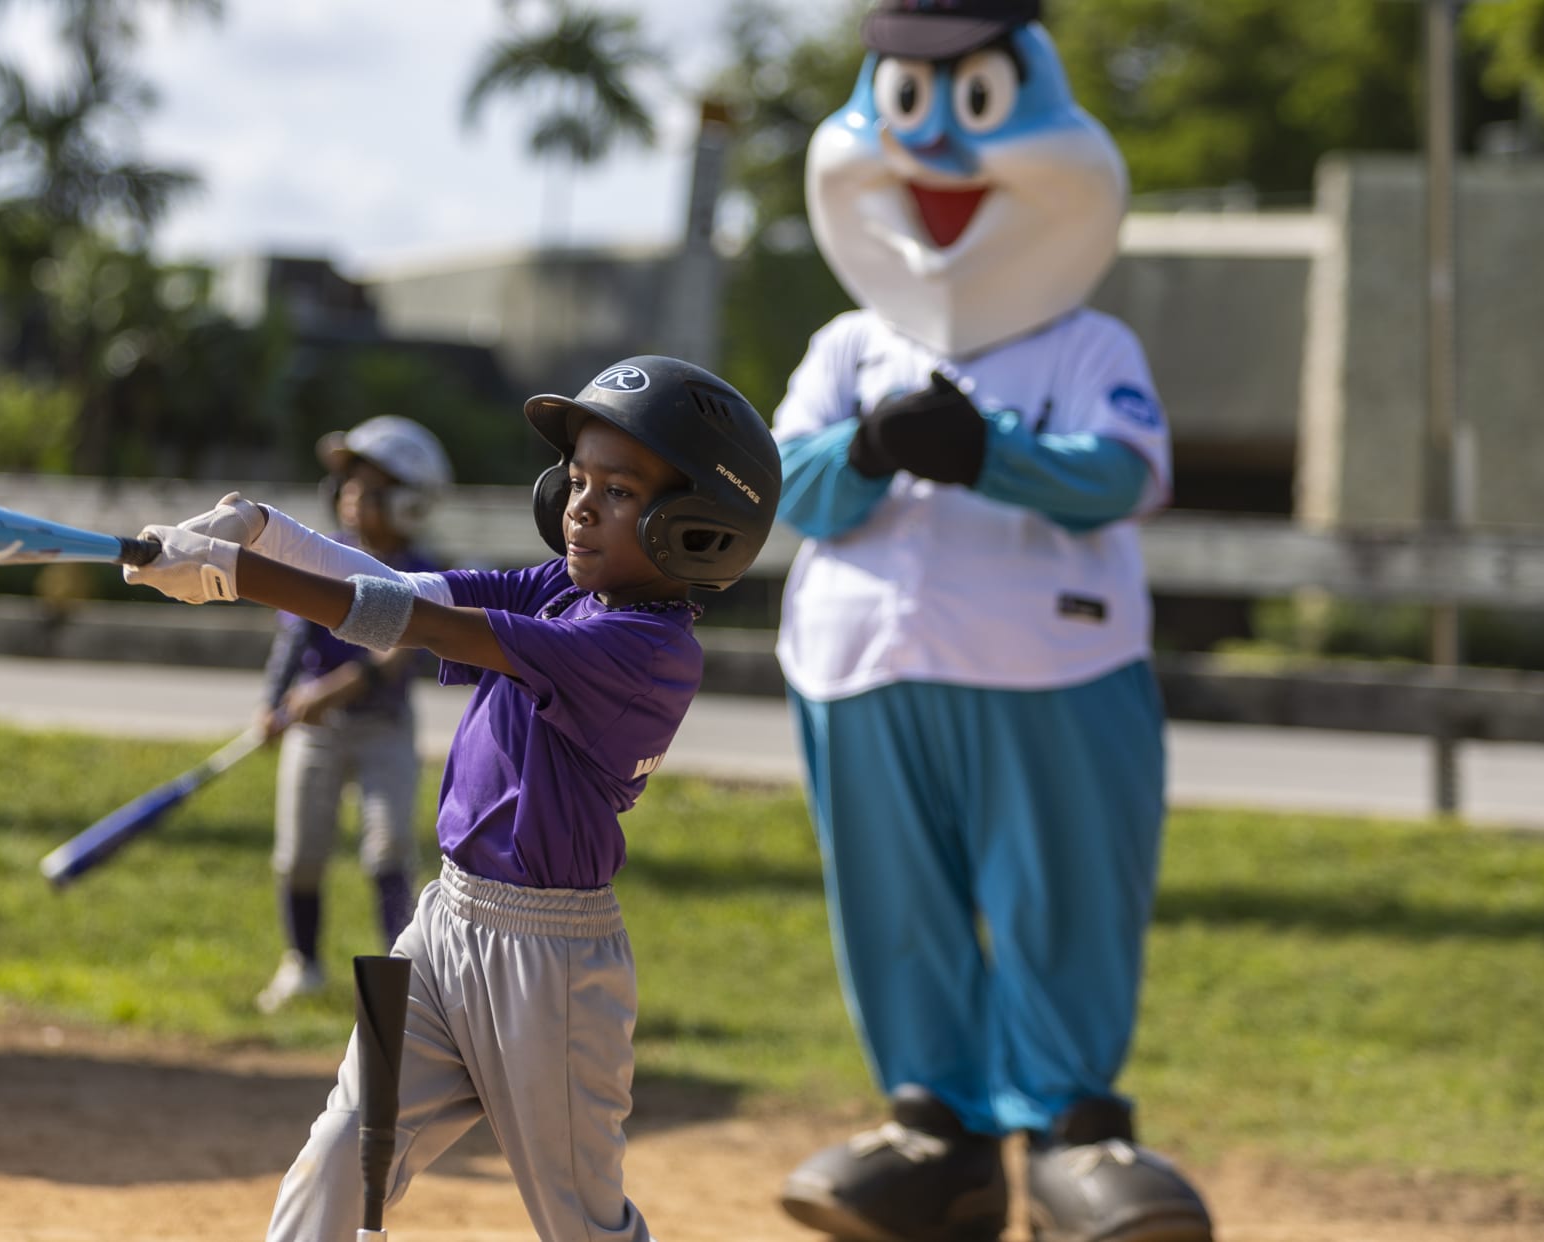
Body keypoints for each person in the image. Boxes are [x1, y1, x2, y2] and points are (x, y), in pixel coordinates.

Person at [124, 355, 780, 1242]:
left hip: (548, 966)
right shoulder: (562, 589)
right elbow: (398, 591)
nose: (581, 507)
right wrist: (263, 529)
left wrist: (236, 574)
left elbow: (418, 625)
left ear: (699, 530)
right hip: (443, 924)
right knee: (344, 1153)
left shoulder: (645, 651)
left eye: (620, 492)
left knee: (580, 1221)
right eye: (578, 481)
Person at [770, 4, 1214, 1242]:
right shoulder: (848, 346)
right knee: (893, 901)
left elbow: (1121, 474)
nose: (937, 153)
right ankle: (937, 1133)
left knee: (1059, 896)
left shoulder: (1086, 343)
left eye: (972, 105)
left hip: (1053, 668)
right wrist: (864, 449)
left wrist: (990, 454)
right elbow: (782, 483)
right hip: (863, 669)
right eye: (909, 106)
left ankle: (1075, 1127)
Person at [252, 415, 452, 1013]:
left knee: (389, 849)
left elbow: (397, 656)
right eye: (347, 486)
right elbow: (293, 638)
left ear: (408, 503)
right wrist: (273, 702)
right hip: (315, 730)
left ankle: (399, 975)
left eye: (369, 489)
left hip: (383, 727)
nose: (350, 498)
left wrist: (329, 691)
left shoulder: (422, 574)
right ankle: (303, 964)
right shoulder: (325, 558)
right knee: (300, 852)